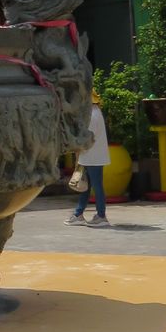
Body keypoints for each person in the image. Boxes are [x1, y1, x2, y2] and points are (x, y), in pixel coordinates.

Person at [66, 89, 110, 228]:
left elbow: (87, 138)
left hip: (92, 156)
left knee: (95, 186)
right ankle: (78, 214)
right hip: (91, 156)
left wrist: (76, 146)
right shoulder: (95, 112)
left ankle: (101, 216)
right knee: (86, 186)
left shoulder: (91, 115)